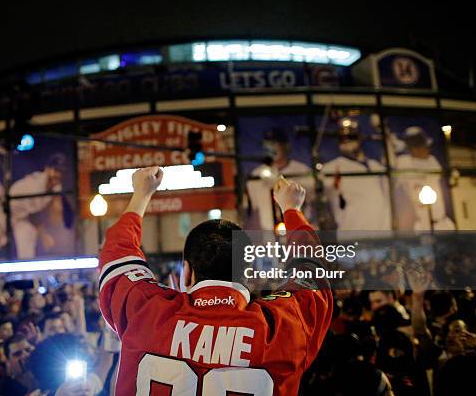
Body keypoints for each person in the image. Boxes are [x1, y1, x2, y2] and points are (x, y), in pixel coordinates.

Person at [98, 166, 332, 395]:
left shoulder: (146, 312)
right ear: (247, 276)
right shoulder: (282, 327)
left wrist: (141, 194)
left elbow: (117, 253)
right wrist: (292, 210)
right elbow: (311, 271)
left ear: (187, 272)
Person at [322, 120, 391, 230]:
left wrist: (384, 131)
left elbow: (394, 171)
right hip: (352, 238)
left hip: (382, 238)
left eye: (351, 136)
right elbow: (316, 188)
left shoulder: (375, 166)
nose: (346, 141)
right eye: (342, 138)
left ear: (359, 138)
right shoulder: (333, 167)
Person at [246, 127, 313, 231]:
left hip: (298, 231)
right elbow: (255, 208)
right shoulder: (256, 175)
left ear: (286, 146)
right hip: (269, 236)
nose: (272, 148)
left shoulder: (303, 171)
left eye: (275, 143)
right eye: (267, 144)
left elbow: (313, 203)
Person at [394, 126, 455, 230]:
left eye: (426, 146)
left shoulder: (432, 161)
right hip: (422, 225)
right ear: (412, 149)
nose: (426, 150)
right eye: (422, 147)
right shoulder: (403, 163)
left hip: (442, 222)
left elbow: (439, 173)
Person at [9, 153, 67, 259]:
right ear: (47, 169)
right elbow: (33, 215)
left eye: (61, 171)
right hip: (10, 214)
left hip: (24, 217)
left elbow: (55, 207)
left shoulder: (55, 185)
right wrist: (44, 236)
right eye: (56, 170)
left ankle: (27, 272)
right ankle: (24, 273)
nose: (58, 174)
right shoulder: (35, 185)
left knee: (28, 235)